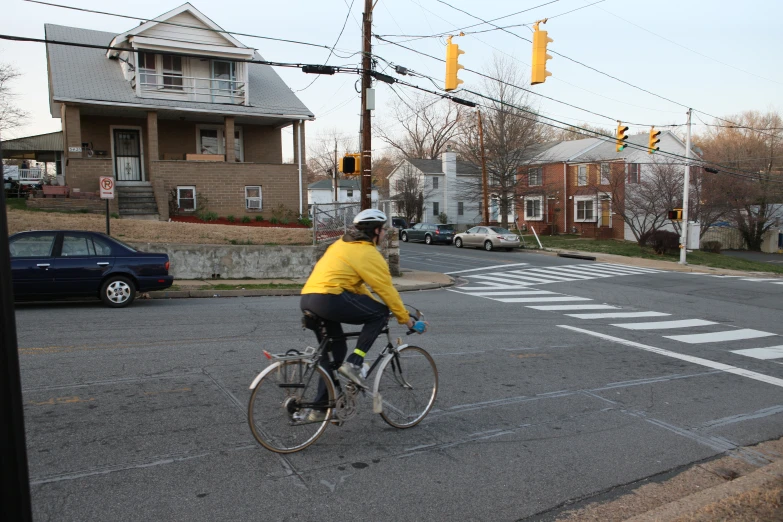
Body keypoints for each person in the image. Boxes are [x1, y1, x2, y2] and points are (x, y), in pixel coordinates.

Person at [299, 208, 424, 422]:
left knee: (334, 353)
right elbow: (386, 289)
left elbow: (358, 289)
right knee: (379, 314)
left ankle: (319, 409)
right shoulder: (367, 253)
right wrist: (404, 318)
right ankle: (355, 363)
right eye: (383, 229)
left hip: (309, 299)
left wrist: (380, 305)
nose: (385, 234)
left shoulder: (342, 244)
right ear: (375, 230)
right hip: (330, 298)